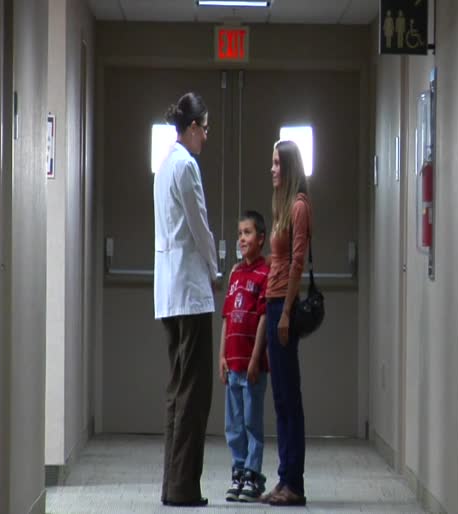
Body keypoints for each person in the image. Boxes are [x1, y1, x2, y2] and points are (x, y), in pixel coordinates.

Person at [153, 92, 217, 508]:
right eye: (205, 129)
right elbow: (199, 225)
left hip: (168, 293)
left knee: (178, 391)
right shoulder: (186, 166)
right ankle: (184, 489)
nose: (206, 137)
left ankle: (172, 486)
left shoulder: (163, 167)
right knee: (195, 394)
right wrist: (215, 268)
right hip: (191, 295)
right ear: (191, 128)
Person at [261, 140, 312, 507]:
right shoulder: (282, 206)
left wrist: (287, 313)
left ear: (290, 166)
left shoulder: (299, 207)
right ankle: (283, 478)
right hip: (273, 302)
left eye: (278, 164)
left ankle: (294, 482)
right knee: (279, 398)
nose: (273, 169)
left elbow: (297, 263)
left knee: (289, 398)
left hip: (284, 307)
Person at [219, 210, 270, 503]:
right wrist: (221, 356)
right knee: (233, 424)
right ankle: (238, 471)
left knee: (252, 421)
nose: (242, 239)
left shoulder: (264, 273)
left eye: (248, 233)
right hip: (233, 362)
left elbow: (263, 318)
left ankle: (253, 474)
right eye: (239, 233)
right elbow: (227, 317)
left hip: (252, 365)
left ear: (260, 239)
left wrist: (254, 358)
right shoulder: (235, 273)